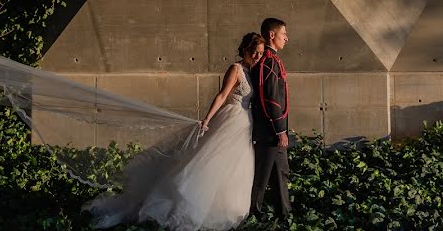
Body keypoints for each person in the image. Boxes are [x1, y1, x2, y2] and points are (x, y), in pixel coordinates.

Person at [86, 32, 265, 230]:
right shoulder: (236, 69)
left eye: (260, 53)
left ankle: (229, 209)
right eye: (255, 52)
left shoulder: (255, 71)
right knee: (212, 163)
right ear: (246, 50)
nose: (257, 56)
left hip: (246, 124)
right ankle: (188, 206)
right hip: (231, 119)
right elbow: (222, 95)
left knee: (237, 166)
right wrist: (207, 118)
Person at [250, 17, 292, 219]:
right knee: (263, 176)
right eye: (284, 34)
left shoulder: (270, 61)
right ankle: (254, 212)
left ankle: (284, 213)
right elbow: (272, 100)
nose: (287, 38)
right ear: (272, 35)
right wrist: (280, 130)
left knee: (279, 173)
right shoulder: (268, 62)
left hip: (272, 130)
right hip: (271, 131)